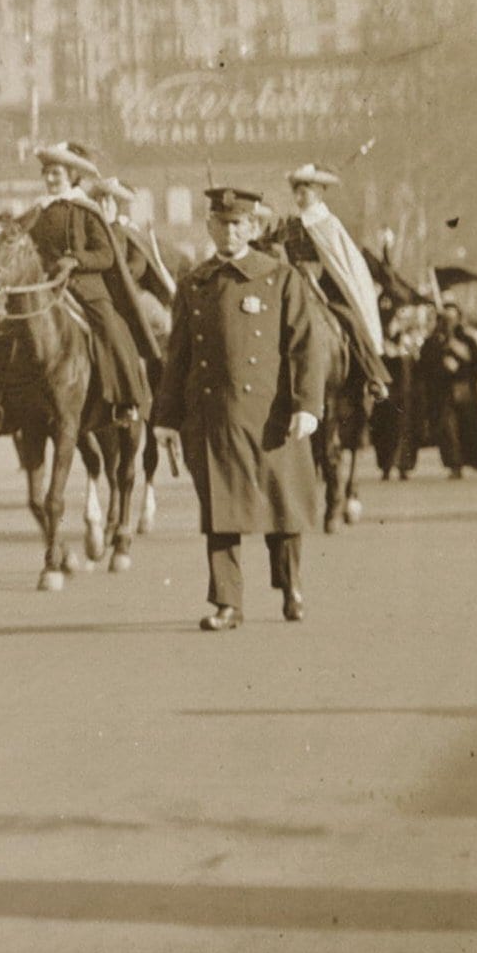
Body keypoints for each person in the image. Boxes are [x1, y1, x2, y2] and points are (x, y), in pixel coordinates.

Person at [154, 188, 329, 628]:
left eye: (238, 224)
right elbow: (178, 358)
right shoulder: (195, 282)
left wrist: (307, 405)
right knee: (220, 510)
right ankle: (227, 603)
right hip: (213, 416)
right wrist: (167, 418)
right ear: (210, 227)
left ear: (252, 228)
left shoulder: (280, 277)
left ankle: (291, 587)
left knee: (282, 504)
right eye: (221, 223)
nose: (229, 232)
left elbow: (306, 346)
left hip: (272, 415)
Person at [25, 141, 158, 430]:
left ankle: (127, 400)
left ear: (73, 176)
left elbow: (106, 255)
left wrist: (75, 260)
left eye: (56, 173)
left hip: (85, 288)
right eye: (45, 172)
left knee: (111, 328)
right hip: (47, 287)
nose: (49, 179)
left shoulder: (85, 210)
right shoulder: (38, 212)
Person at [277, 164, 385, 413]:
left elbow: (338, 261)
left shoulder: (327, 222)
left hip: (326, 286)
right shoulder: (292, 223)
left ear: (318, 192)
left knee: (349, 321)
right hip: (294, 282)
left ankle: (372, 374)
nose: (298, 197)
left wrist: (313, 276)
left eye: (304, 191)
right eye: (296, 191)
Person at [420, 303, 477, 476]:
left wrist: (460, 360)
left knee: (465, 426)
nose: (449, 323)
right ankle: (454, 463)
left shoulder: (467, 340)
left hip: (464, 388)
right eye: (446, 319)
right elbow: (425, 365)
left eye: (453, 319)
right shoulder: (433, 341)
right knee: (447, 426)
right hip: (442, 391)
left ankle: (469, 459)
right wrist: (441, 361)